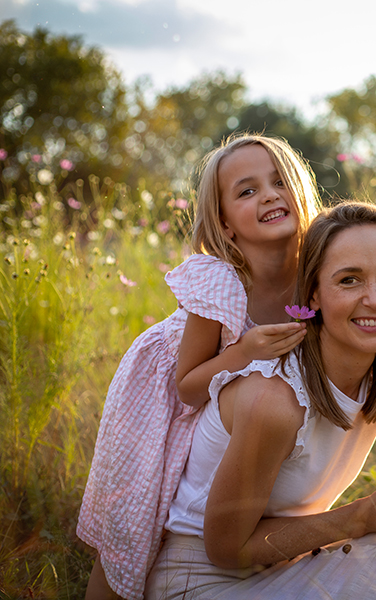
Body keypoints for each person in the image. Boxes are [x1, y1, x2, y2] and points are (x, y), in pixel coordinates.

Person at [144, 201, 376, 599]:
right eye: (349, 280)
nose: (374, 299)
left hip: (285, 564)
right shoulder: (274, 400)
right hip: (201, 580)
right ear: (313, 294)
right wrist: (360, 517)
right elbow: (227, 549)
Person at [79, 133, 320, 600]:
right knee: (143, 517)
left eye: (279, 181)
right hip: (164, 398)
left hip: (229, 406)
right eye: (247, 191)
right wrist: (244, 352)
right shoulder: (221, 284)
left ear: (302, 192)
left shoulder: (316, 273)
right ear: (226, 225)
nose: (269, 194)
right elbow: (187, 387)